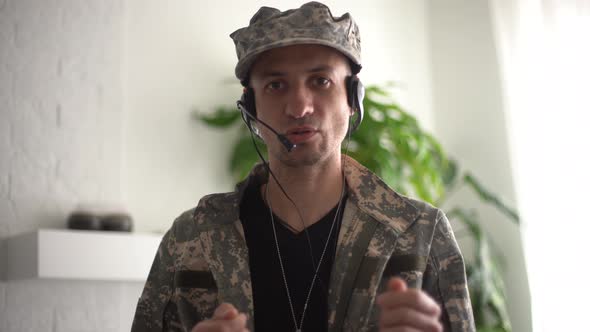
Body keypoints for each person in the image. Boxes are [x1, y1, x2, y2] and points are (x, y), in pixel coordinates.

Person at [131, 2, 475, 332]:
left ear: (353, 99)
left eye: (320, 81)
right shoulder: (192, 237)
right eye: (275, 85)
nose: (298, 107)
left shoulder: (420, 234)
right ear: (251, 107)